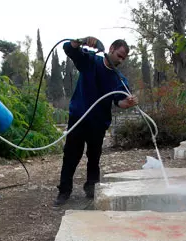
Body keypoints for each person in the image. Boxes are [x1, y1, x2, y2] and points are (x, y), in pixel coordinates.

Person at [54, 37, 139, 206]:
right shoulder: (91, 61)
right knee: (71, 155)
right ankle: (64, 191)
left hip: (98, 123)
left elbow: (119, 102)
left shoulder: (119, 79)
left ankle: (91, 188)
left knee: (94, 157)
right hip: (79, 117)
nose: (121, 60)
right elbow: (69, 49)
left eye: (124, 58)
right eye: (119, 55)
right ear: (112, 48)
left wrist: (127, 103)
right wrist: (82, 41)